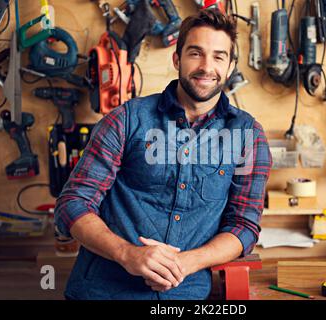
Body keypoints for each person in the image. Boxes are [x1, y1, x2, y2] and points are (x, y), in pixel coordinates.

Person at [54, 8, 272, 300]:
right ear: (177, 59)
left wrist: (186, 263)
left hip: (184, 294)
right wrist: (127, 254)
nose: (207, 67)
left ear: (230, 66)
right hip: (101, 290)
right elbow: (73, 203)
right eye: (195, 53)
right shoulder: (125, 120)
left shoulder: (249, 136)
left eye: (219, 56)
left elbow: (244, 225)